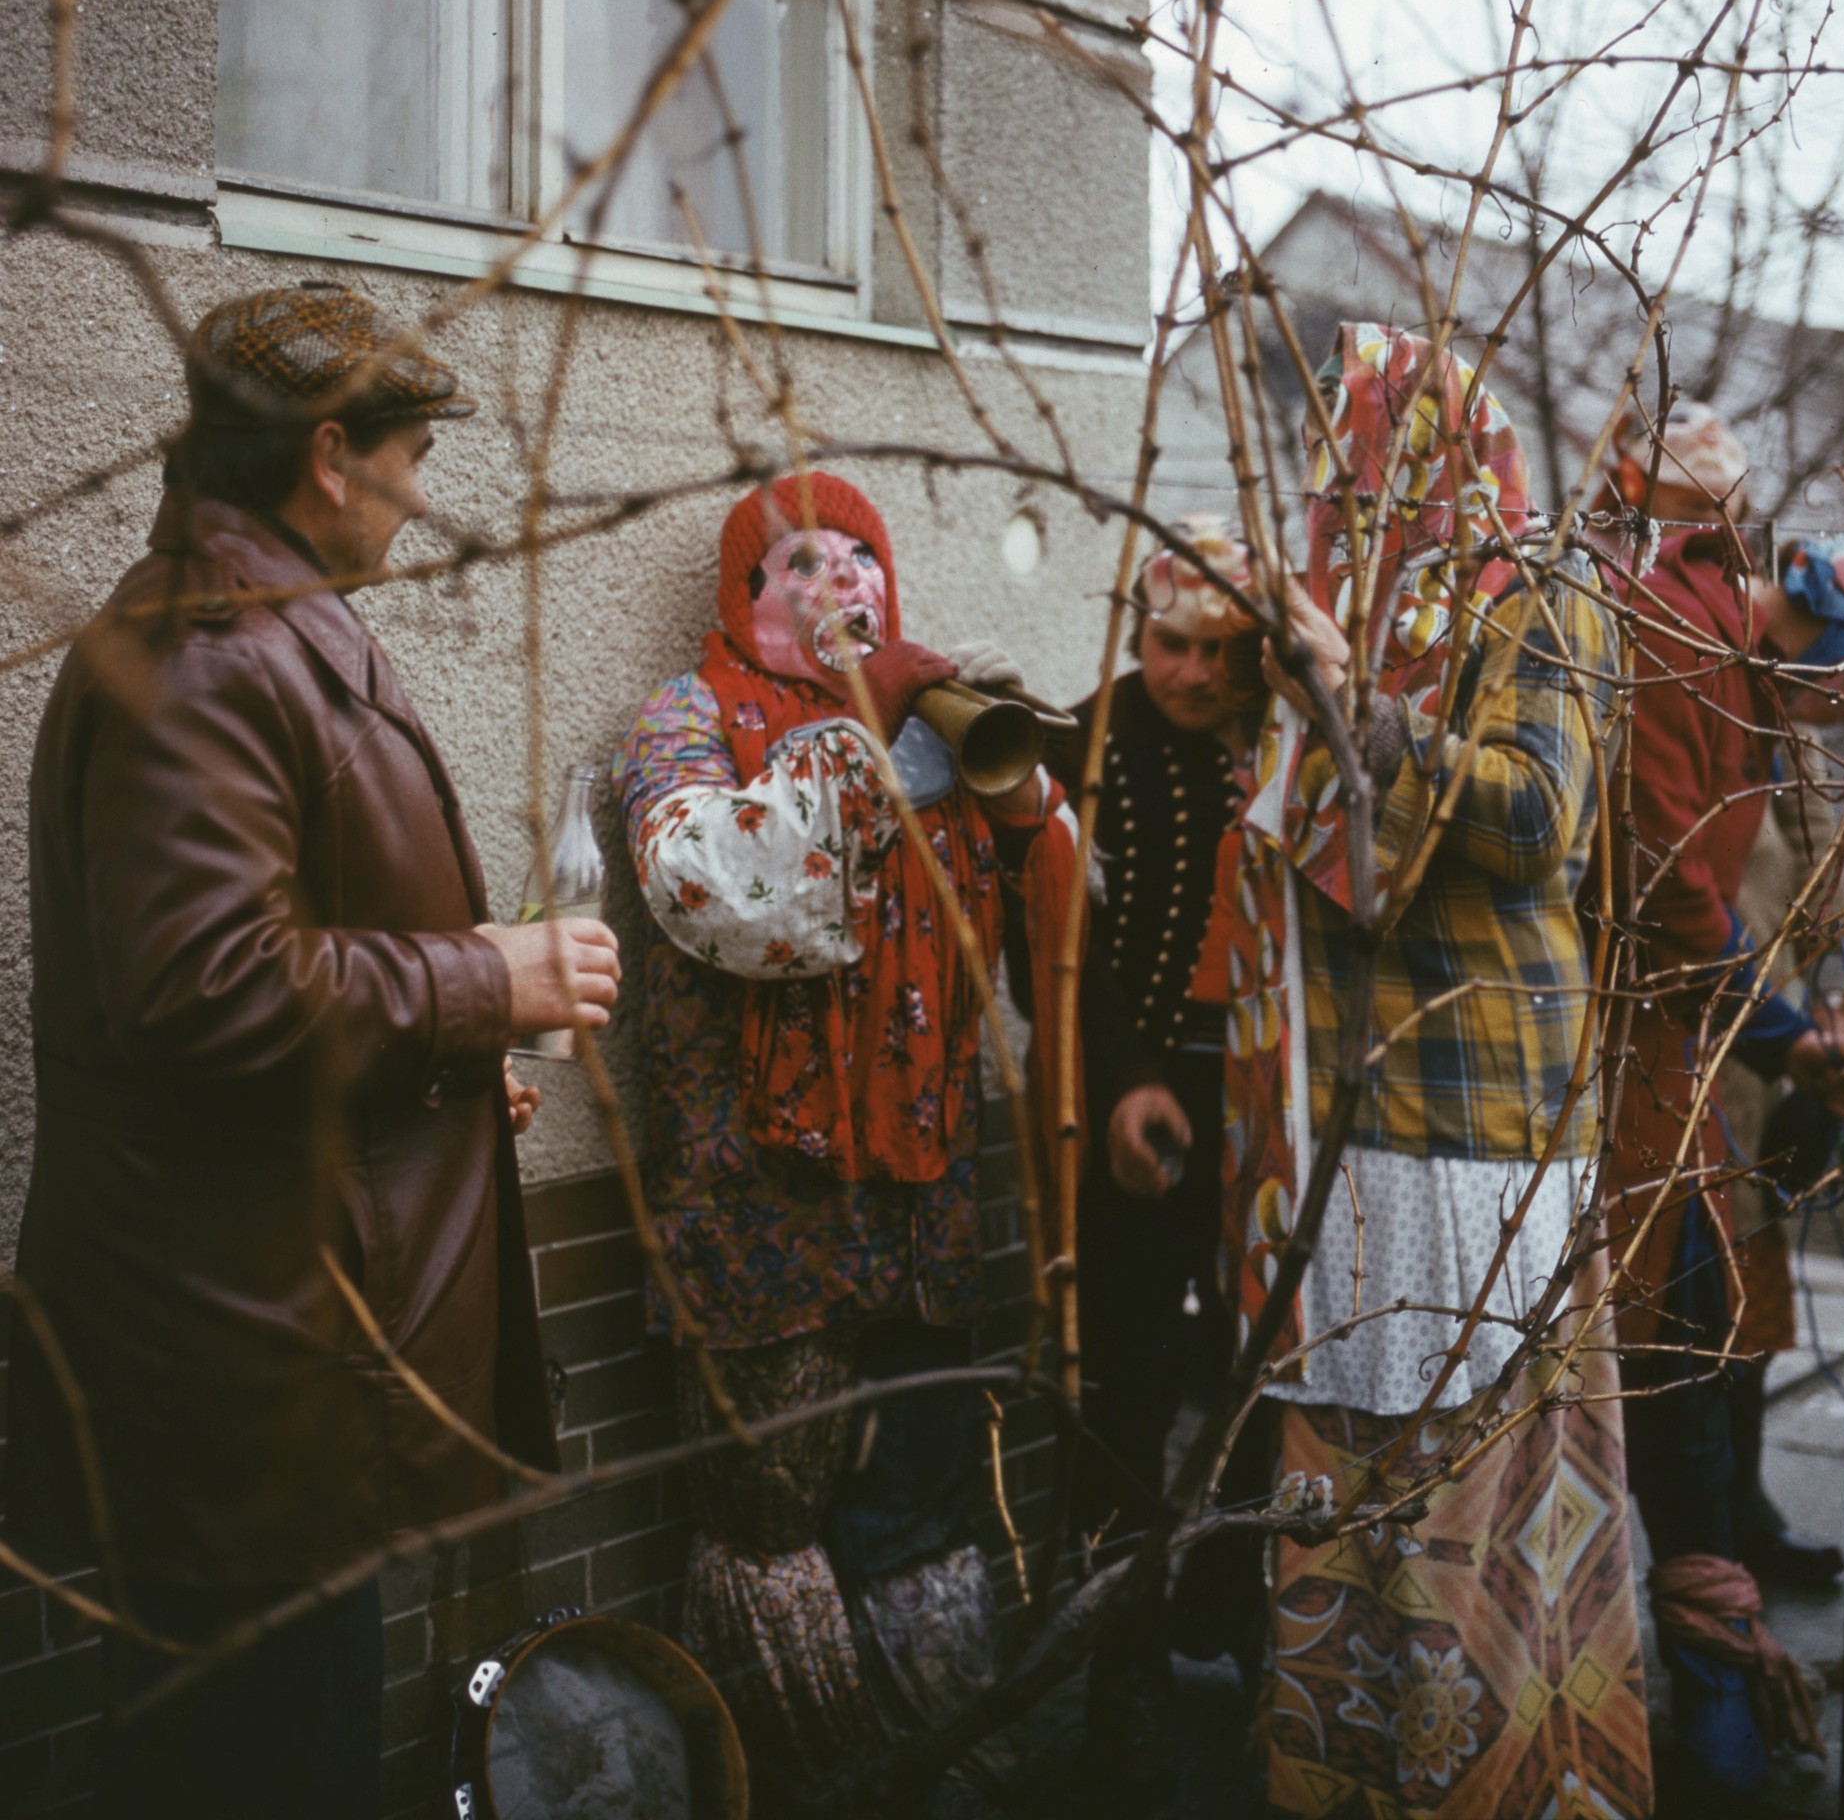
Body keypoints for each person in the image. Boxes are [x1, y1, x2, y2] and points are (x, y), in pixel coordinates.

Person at [6, 283, 619, 1820]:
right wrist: (485, 981)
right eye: (412, 456)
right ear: (331, 455)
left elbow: (263, 980)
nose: (420, 497)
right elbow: (202, 987)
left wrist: (441, 1073)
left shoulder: (248, 629)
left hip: (275, 1341)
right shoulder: (212, 652)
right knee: (266, 1764)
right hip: (247, 1377)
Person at [1221, 326, 1652, 1819]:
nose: (1350, 490)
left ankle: (1494, 1785)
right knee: (1345, 1499)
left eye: (1373, 457)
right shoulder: (1347, 606)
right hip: (1344, 1123)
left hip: (1481, 1124)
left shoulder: (1540, 588)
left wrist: (1361, 705)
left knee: (1477, 1498)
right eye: (1338, 465)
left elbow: (1539, 820)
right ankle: (1347, 1782)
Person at [610, 471, 1074, 1801]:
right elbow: (714, 883)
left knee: (921, 1504)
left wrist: (1018, 797)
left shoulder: (941, 714)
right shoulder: (684, 717)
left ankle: (954, 1766)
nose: (840, 586)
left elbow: (1055, 925)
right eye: (801, 565)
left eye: (858, 557)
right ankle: (820, 1774)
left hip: (919, 1194)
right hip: (762, 1210)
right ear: (743, 596)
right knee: (769, 1515)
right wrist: (876, 754)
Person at [1591, 402, 1844, 1796]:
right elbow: (1670, 879)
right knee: (1673, 1361)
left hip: (1711, 1051)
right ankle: (1707, 1698)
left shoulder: (1738, 662)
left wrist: (1822, 1008)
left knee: (1716, 1340)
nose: (1835, 716)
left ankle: (1715, 1644)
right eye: (1837, 686)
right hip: (1649, 1055)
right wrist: (1778, 1029)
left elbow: (1797, 866)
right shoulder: (1678, 635)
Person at [1040, 515, 1265, 1799]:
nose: (1194, 673)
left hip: (1263, 1088)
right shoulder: (1084, 745)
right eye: (1173, 644)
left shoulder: (1280, 742)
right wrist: (1122, 1080)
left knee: (1264, 1366)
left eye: (1222, 650)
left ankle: (1232, 1598)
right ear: (1137, 634)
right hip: (1128, 1082)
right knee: (1124, 1383)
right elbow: (1055, 947)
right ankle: (1119, 1670)